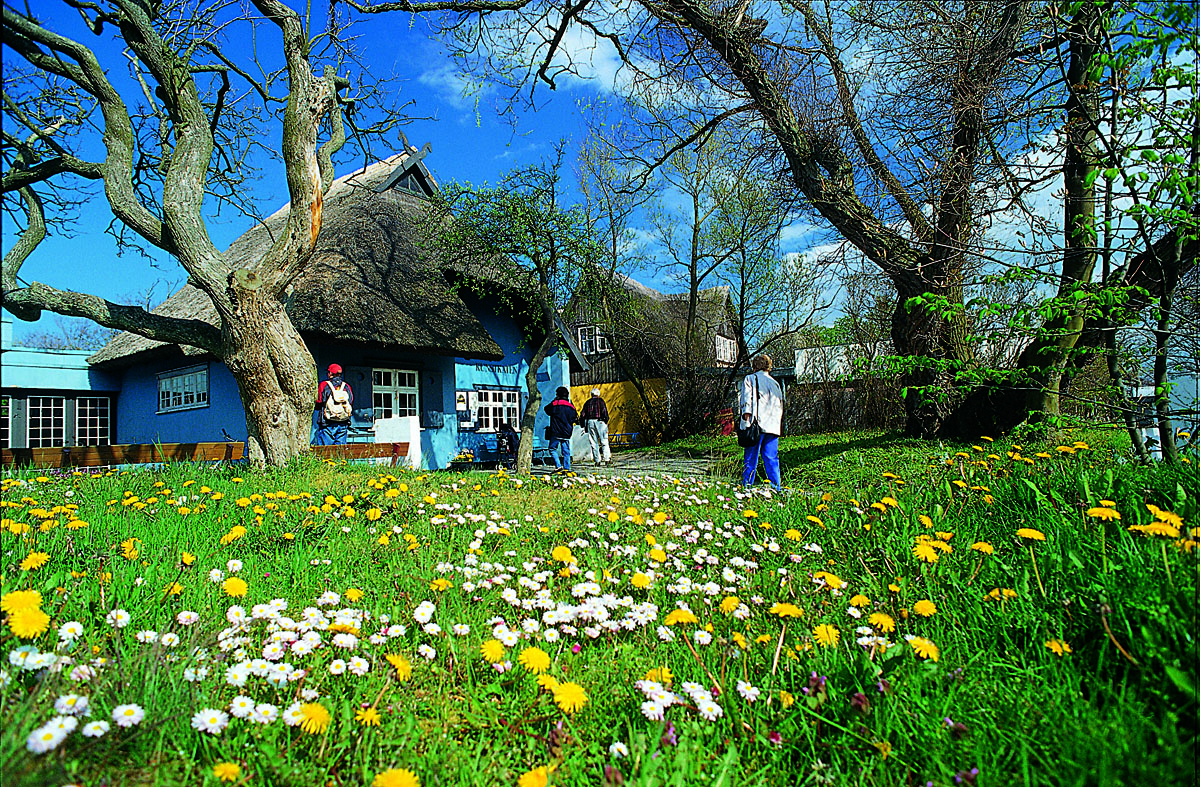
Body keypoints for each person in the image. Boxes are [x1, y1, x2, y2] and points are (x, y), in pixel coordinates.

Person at [740, 353, 784, 490]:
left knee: (751, 457)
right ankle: (776, 486)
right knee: (771, 458)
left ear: (754, 366)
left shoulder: (750, 379)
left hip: (757, 425)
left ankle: (747, 486)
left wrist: (746, 421)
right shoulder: (775, 383)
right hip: (773, 426)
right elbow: (780, 404)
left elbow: (747, 401)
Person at [315, 363, 353, 446]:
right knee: (340, 451)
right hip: (343, 421)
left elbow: (319, 401)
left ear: (330, 374)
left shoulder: (324, 385)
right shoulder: (346, 386)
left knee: (326, 451)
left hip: (327, 422)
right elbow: (350, 401)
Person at [543, 386, 577, 473]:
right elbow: (574, 418)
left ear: (557, 394)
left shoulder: (555, 404)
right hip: (567, 432)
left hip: (556, 431)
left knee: (552, 449)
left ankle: (558, 465)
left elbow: (546, 410)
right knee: (566, 451)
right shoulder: (571, 406)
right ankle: (567, 468)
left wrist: (553, 401)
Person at [580, 387, 611, 466]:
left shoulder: (587, 402)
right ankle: (607, 459)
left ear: (591, 394)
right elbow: (604, 411)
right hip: (600, 422)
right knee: (604, 440)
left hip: (590, 422)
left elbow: (583, 414)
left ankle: (597, 460)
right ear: (598, 394)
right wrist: (606, 420)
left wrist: (583, 425)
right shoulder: (601, 401)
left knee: (593, 442)